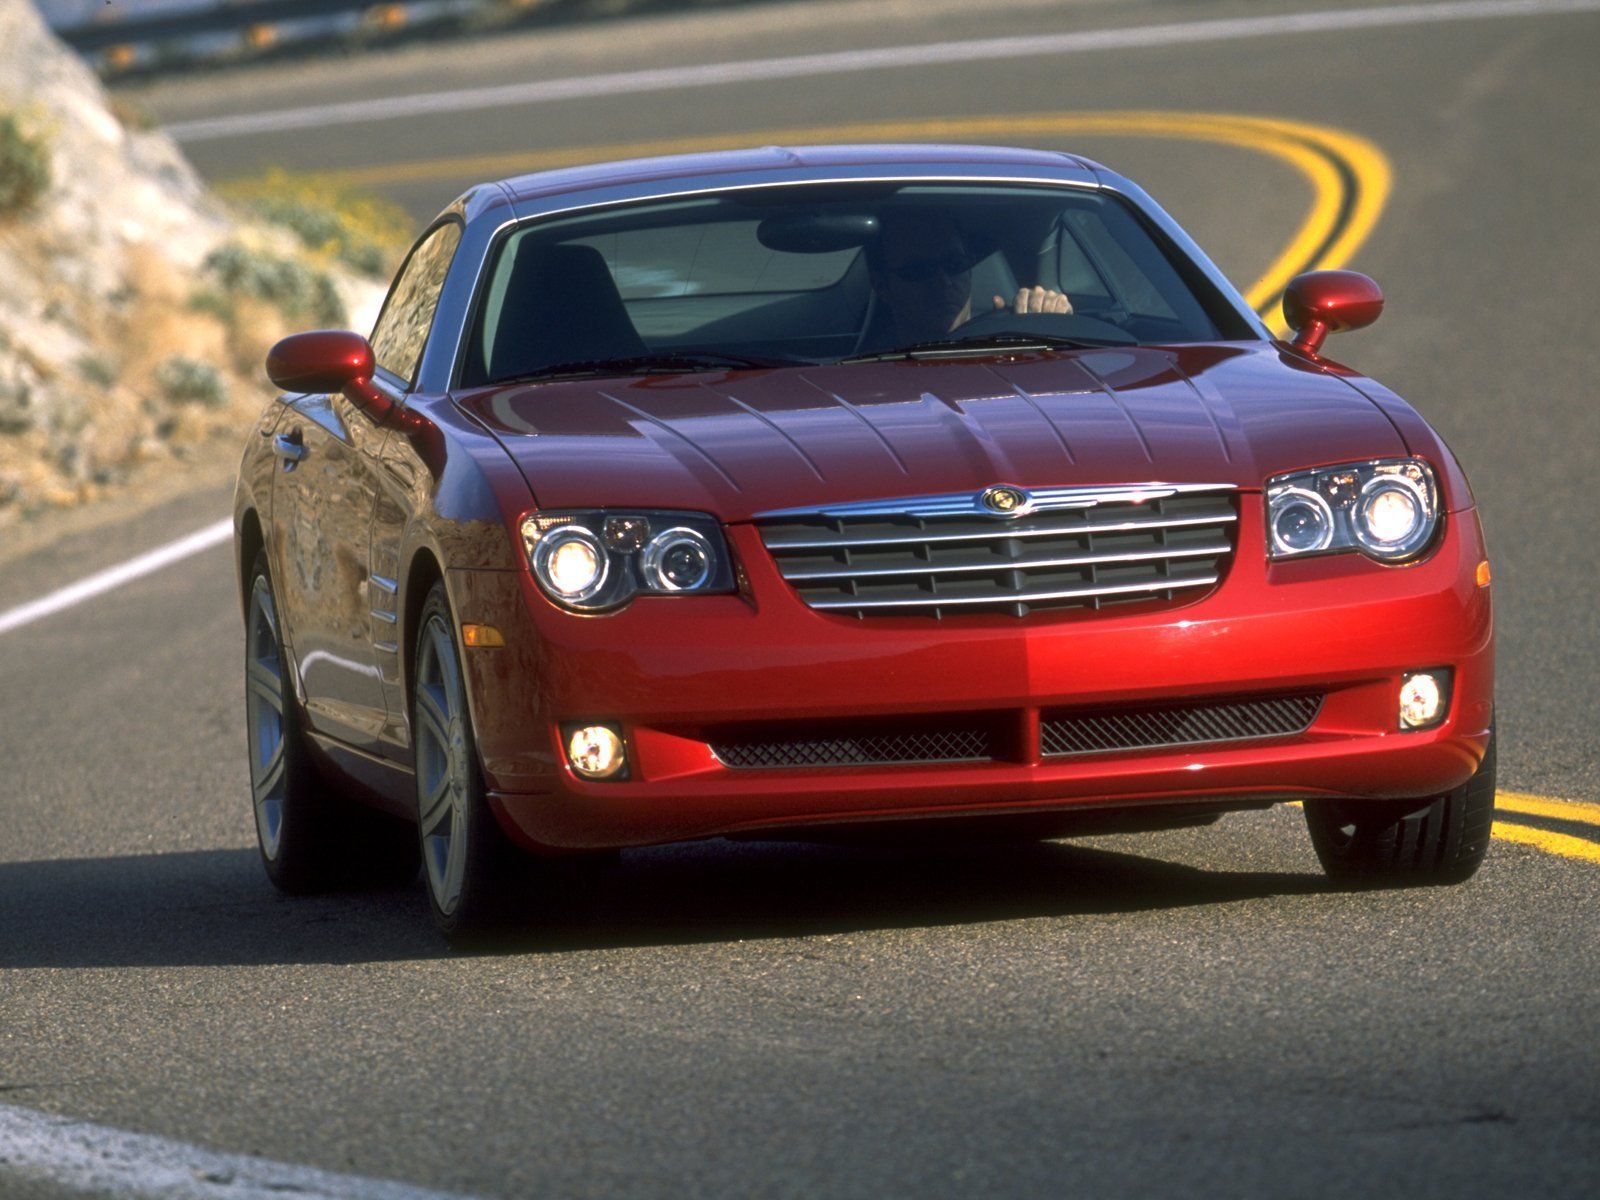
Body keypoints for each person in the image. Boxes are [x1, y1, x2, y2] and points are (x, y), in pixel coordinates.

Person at [863, 212, 1072, 348]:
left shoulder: (1014, 346)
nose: (943, 282)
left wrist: (1052, 327)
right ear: (882, 287)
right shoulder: (865, 376)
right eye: (920, 271)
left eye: (955, 264)